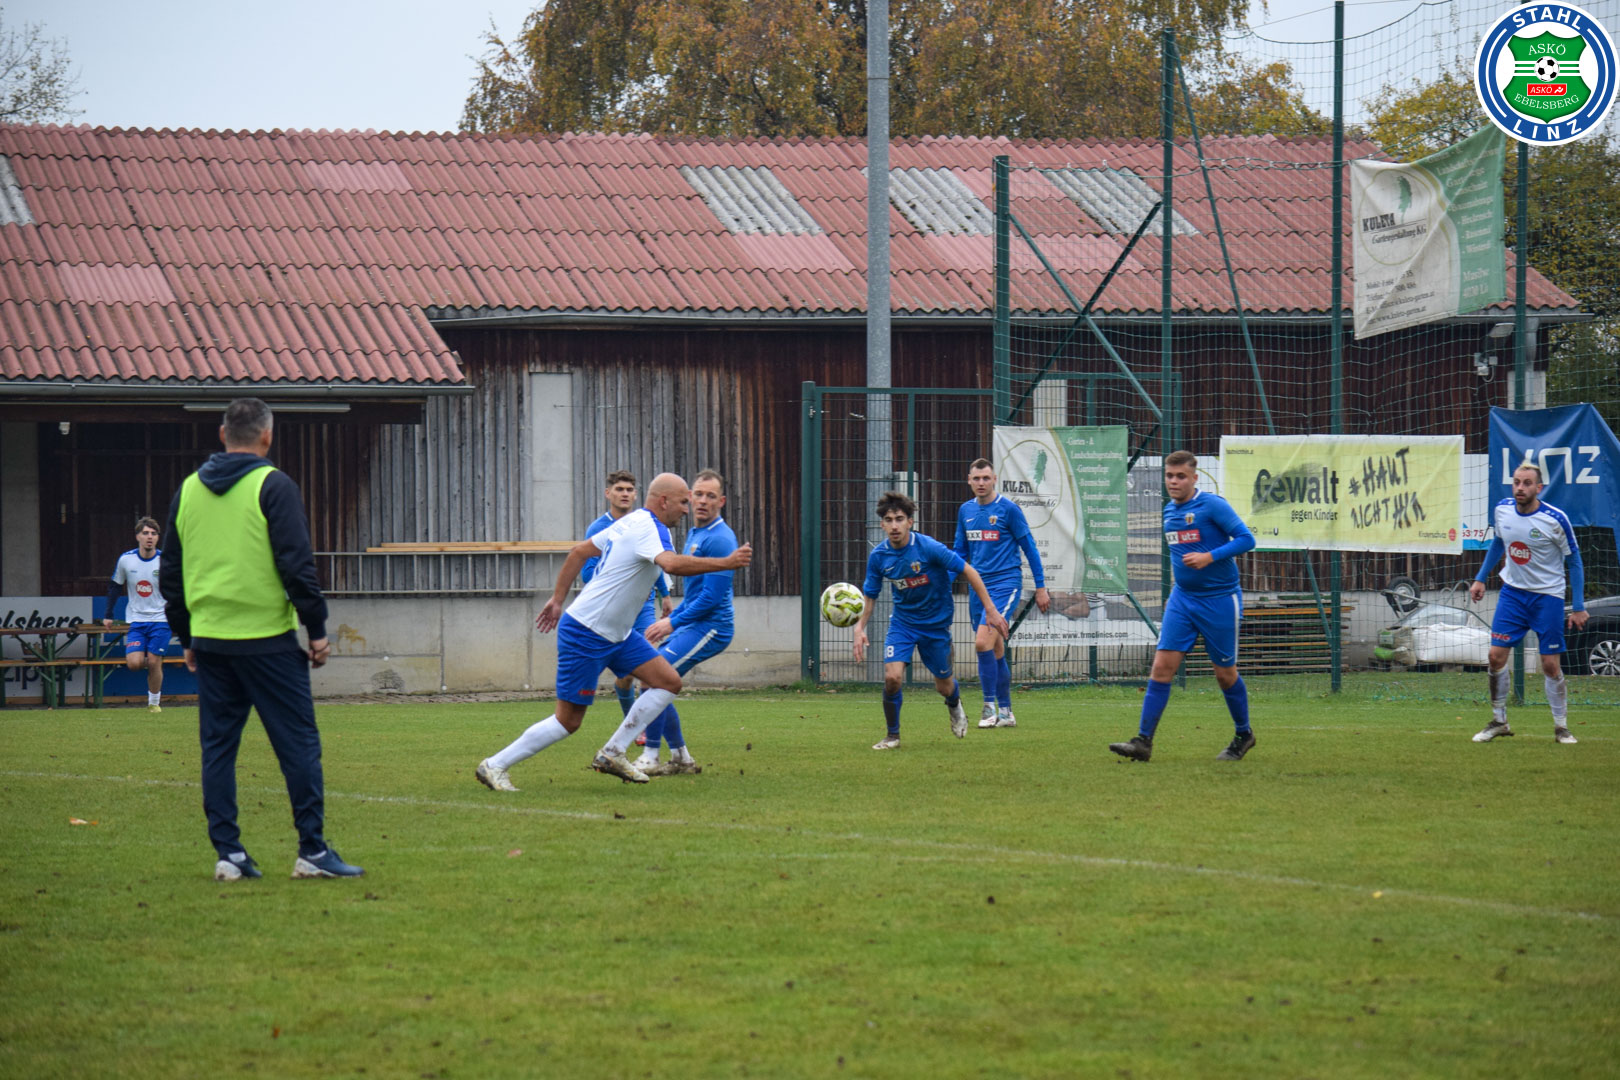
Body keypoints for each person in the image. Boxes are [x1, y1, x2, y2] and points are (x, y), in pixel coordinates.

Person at [159, 397, 362, 882]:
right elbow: (297, 565)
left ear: (222, 434)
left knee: (218, 750)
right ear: (267, 436)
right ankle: (311, 851)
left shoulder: (188, 490)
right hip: (267, 640)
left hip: (211, 642)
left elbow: (170, 573)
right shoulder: (274, 485)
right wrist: (316, 629)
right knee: (298, 746)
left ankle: (228, 854)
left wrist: (186, 634)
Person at [475, 473, 751, 788]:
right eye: (683, 502)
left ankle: (614, 752)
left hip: (618, 634)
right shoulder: (649, 528)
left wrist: (558, 600)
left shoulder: (631, 521)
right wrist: (727, 562)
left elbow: (578, 552)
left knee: (667, 682)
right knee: (568, 721)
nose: (687, 509)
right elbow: (672, 565)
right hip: (587, 632)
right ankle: (495, 765)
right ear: (664, 501)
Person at [1109, 450, 1257, 763]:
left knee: (1225, 674)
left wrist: (1209, 557)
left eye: (1180, 476)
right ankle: (1143, 741)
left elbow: (1246, 539)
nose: (1173, 481)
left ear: (1194, 478)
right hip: (1183, 599)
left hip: (1220, 599)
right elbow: (1181, 554)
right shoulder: (1168, 511)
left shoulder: (1212, 505)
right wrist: (1177, 591)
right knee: (1161, 668)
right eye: (1169, 476)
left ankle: (1244, 734)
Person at [852, 491, 1009, 750]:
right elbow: (870, 595)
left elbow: (969, 571)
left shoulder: (929, 548)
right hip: (903, 624)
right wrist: (860, 627)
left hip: (936, 627)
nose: (894, 526)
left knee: (944, 687)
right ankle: (892, 736)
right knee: (892, 678)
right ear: (882, 524)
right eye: (889, 520)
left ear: (910, 522)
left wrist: (991, 610)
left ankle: (954, 704)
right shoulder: (879, 557)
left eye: (899, 519)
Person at [1468, 461, 1588, 744]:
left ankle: (1561, 727)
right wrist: (1480, 578)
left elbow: (1575, 561)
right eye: (1516, 482)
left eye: (1527, 483)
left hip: (1548, 597)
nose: (1520, 488)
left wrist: (1579, 606)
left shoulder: (1555, 519)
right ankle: (1499, 721)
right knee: (1495, 656)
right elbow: (1499, 542)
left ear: (1539, 488)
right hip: (1512, 594)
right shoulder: (1502, 510)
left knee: (1549, 665)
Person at [636, 468, 738, 776]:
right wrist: (676, 616)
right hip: (693, 623)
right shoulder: (696, 533)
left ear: (721, 501)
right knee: (655, 679)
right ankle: (681, 757)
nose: (703, 501)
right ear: (690, 497)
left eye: (711, 496)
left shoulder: (721, 539)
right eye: (699, 495)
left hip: (712, 627)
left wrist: (672, 622)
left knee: (655, 679)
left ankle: (650, 756)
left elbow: (711, 598)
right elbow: (696, 593)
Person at [953, 457, 1050, 728]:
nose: (981, 483)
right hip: (978, 588)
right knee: (995, 649)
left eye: (986, 478)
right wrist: (944, 583)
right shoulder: (965, 511)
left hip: (1005, 584)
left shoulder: (1009, 509)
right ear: (969, 481)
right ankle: (1007, 713)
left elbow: (1029, 547)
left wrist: (1040, 587)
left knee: (981, 643)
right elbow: (959, 552)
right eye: (976, 478)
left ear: (994, 479)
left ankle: (988, 709)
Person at [583, 471, 672, 729]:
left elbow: (653, 561)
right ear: (608, 493)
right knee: (627, 675)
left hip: (644, 605)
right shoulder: (599, 528)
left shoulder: (644, 523)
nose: (624, 494)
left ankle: (643, 728)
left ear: (635, 495)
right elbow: (588, 572)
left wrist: (665, 594)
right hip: (615, 610)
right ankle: (631, 721)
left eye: (629, 489)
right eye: (619, 489)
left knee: (649, 663)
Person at [104, 515, 170, 713]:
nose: (150, 537)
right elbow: (115, 586)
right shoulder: (126, 560)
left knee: (154, 661)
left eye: (154, 534)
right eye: (146, 533)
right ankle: (152, 661)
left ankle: (154, 703)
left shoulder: (165, 561)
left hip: (161, 619)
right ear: (137, 536)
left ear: (158, 538)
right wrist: (108, 614)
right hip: (137, 620)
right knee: (134, 664)